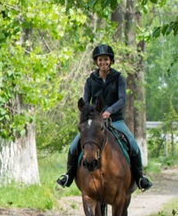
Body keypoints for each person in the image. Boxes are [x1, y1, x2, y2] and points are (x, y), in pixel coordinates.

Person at [57, 44, 153, 191]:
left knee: (133, 145)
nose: (103, 62)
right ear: (97, 61)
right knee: (73, 146)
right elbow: (87, 101)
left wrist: (109, 111)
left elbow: (122, 99)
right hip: (95, 122)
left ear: (111, 61)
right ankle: (68, 176)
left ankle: (140, 178)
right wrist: (89, 114)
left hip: (115, 120)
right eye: (100, 59)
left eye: (106, 59)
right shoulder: (90, 80)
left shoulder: (118, 78)